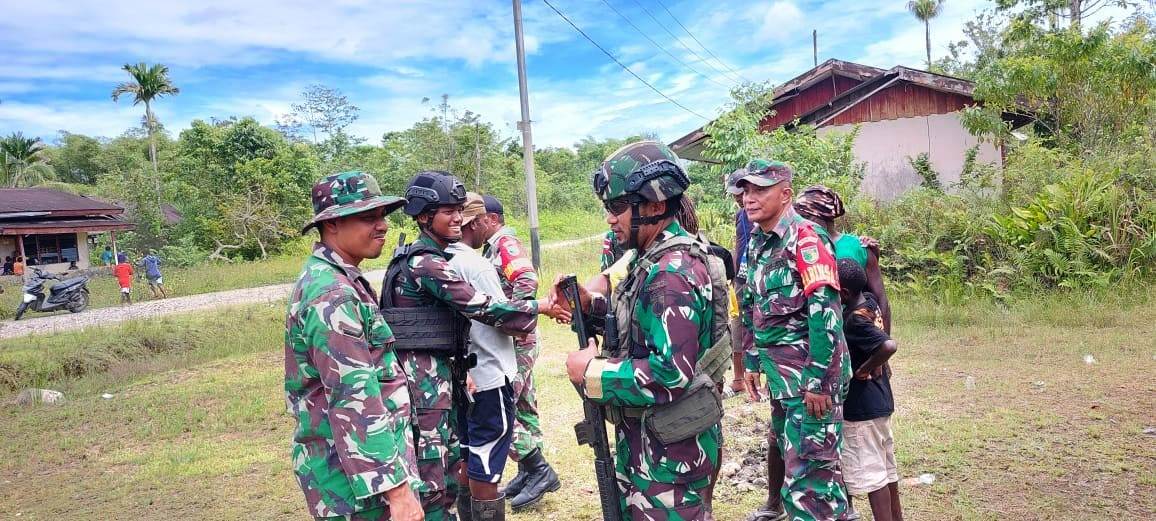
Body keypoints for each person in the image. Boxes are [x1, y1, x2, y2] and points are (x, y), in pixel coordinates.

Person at [556, 141, 730, 520]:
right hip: (653, 446)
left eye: (618, 207)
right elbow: (643, 326)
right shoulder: (650, 261)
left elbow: (670, 373)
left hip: (670, 460)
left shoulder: (671, 274)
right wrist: (592, 307)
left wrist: (592, 373)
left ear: (654, 205)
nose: (610, 219)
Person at [382, 171, 563, 521]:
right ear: (423, 217)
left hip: (440, 379)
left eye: (458, 210)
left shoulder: (421, 256)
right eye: (446, 211)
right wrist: (539, 306)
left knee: (456, 462)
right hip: (426, 388)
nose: (457, 218)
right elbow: (483, 307)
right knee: (437, 477)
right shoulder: (427, 263)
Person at [284, 170, 423, 521]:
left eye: (382, 216)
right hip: (356, 486)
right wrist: (397, 490)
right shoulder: (332, 294)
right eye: (368, 217)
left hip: (362, 472)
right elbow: (354, 398)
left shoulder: (341, 279)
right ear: (331, 225)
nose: (382, 226)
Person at [738, 158, 851, 521]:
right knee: (811, 477)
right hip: (782, 382)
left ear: (786, 194)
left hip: (811, 386)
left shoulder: (806, 239)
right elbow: (753, 305)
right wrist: (752, 361)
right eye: (746, 190)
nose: (749, 198)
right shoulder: (758, 241)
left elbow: (826, 314)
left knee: (810, 491)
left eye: (760, 189)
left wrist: (819, 382)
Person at [474, 194, 560, 510]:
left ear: (492, 219)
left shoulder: (505, 243)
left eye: (477, 219)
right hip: (515, 338)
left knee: (504, 407)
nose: (472, 225)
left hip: (516, 340)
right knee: (524, 405)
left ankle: (539, 470)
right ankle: (529, 470)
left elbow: (526, 278)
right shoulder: (491, 247)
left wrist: (517, 318)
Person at [446, 192, 523, 518]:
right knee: (487, 461)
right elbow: (506, 318)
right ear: (476, 222)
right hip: (489, 373)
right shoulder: (473, 264)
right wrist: (537, 311)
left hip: (461, 376)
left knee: (469, 451)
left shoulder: (436, 260)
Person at [836, 259, 903, 521]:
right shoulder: (869, 302)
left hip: (861, 408)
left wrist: (863, 368)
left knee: (872, 477)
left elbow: (888, 346)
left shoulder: (854, 321)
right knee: (886, 470)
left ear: (843, 293)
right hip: (881, 400)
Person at [794, 186, 891, 332]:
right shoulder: (799, 245)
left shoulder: (859, 247)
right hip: (814, 333)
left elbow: (881, 298)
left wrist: (883, 338)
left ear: (819, 218)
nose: (799, 223)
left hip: (852, 333)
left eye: (804, 217)